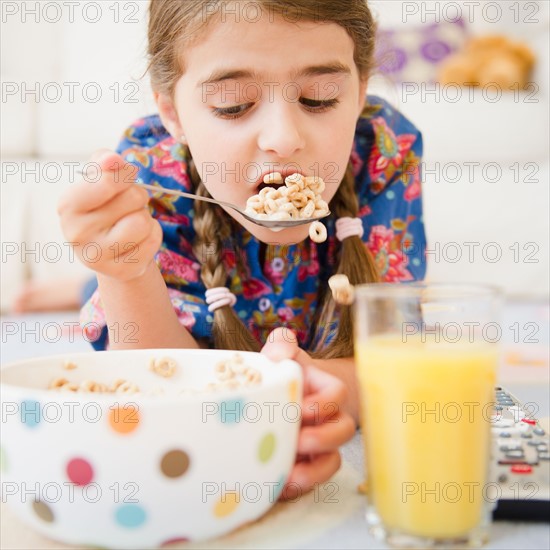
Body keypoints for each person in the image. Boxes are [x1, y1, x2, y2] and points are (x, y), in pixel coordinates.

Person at [58, 0, 426, 500]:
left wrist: (305, 384)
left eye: (319, 98)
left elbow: (397, 356)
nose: (283, 139)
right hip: (181, 283)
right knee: (99, 279)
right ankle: (72, 283)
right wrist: (123, 272)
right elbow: (157, 380)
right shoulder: (149, 175)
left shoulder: (383, 148)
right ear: (172, 113)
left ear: (360, 92)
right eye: (232, 104)